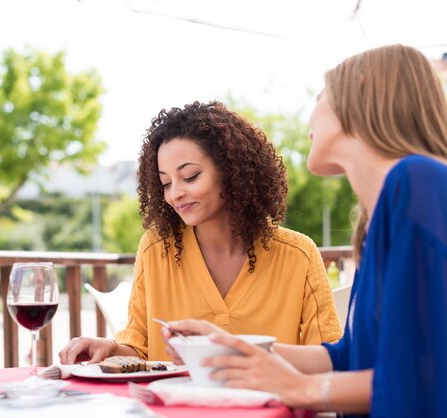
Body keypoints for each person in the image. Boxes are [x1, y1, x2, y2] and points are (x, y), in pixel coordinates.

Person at [164, 45, 447, 417]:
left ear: (362, 93)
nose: (310, 115)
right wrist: (227, 346)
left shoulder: (419, 185)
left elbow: (428, 375)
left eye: (320, 96)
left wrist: (299, 388)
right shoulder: (391, 206)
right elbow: (349, 357)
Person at [58, 101, 342, 364]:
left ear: (231, 170)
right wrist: (110, 349)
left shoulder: (297, 255)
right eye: (166, 183)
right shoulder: (157, 248)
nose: (176, 194)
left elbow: (327, 356)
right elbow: (140, 348)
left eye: (190, 176)